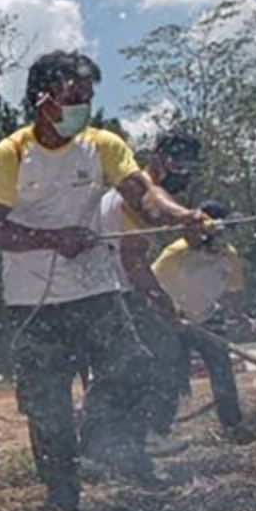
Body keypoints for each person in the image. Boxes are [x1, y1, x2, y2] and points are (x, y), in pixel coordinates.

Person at [0, 51, 203, 511]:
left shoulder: (103, 145)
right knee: (47, 405)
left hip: (95, 289)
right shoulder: (10, 155)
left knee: (135, 365)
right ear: (43, 100)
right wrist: (51, 238)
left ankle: (108, 442)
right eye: (73, 98)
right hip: (33, 302)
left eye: (88, 98)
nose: (83, 107)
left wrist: (182, 217)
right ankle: (63, 496)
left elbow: (144, 195)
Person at [97, 131, 203, 448]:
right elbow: (134, 263)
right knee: (159, 359)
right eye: (178, 163)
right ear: (158, 158)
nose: (183, 173)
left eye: (190, 166)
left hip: (113, 290)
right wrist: (163, 304)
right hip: (120, 293)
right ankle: (146, 437)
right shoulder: (139, 196)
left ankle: (116, 443)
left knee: (124, 370)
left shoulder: (145, 192)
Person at [152, 200, 255, 442]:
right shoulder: (176, 253)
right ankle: (159, 431)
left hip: (208, 318)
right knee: (171, 377)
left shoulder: (229, 256)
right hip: (172, 322)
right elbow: (151, 286)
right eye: (222, 232)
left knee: (223, 374)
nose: (226, 238)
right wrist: (170, 313)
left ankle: (233, 425)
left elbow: (233, 292)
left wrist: (241, 317)